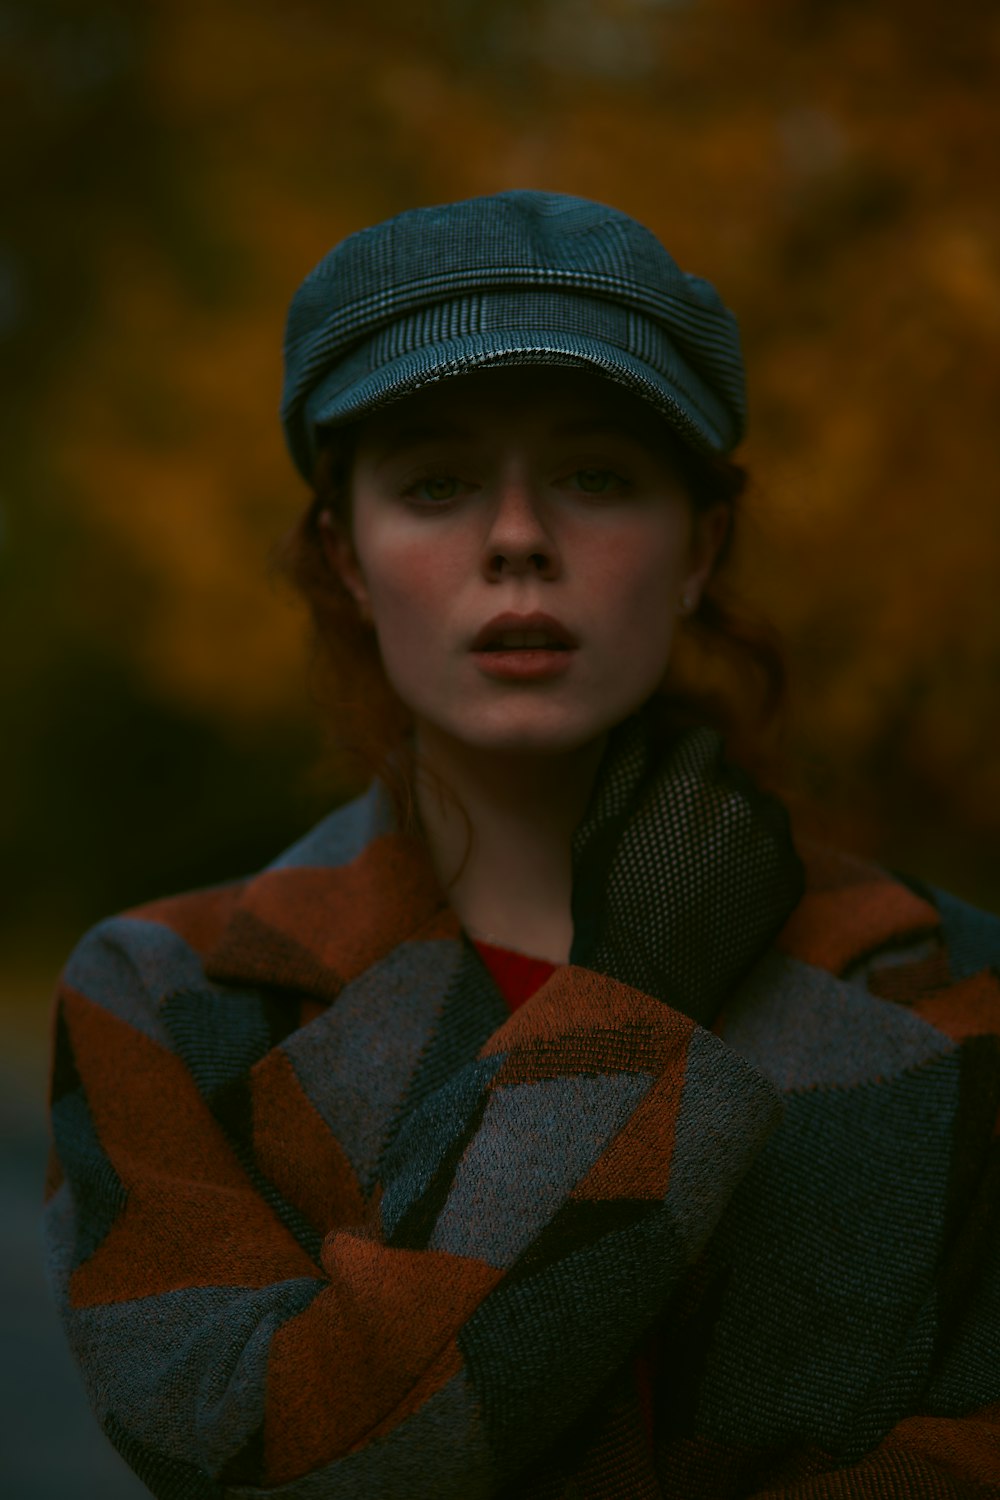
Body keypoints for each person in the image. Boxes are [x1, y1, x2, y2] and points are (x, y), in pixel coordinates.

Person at [44, 191, 1000, 1499]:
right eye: (434, 484)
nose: (516, 539)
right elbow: (278, 1460)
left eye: (597, 476)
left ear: (698, 547)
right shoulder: (165, 1000)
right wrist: (634, 999)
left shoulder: (951, 982)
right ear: (346, 556)